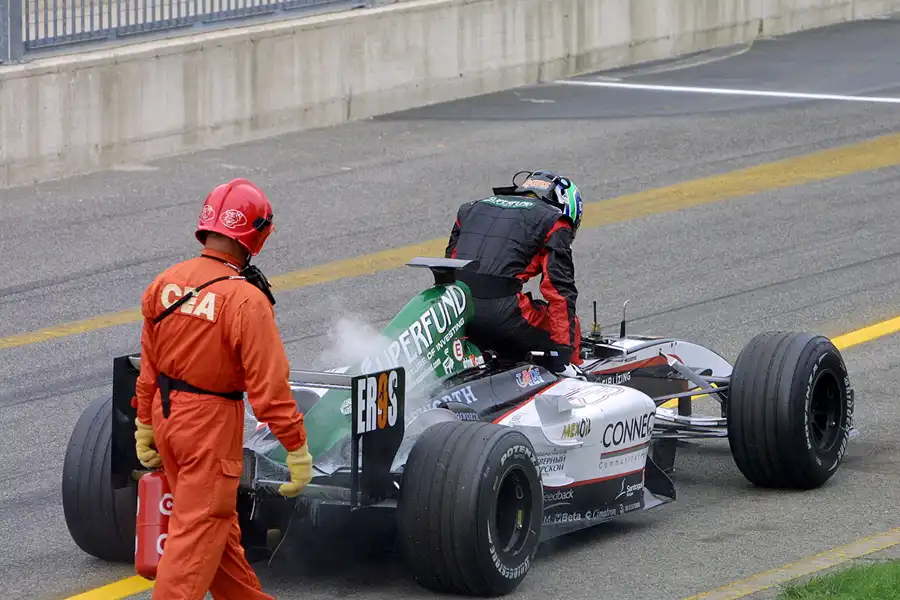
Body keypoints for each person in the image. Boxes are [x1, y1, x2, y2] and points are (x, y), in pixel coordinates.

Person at [132, 178, 313, 600]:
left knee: (217, 529)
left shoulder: (164, 284)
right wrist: (297, 449)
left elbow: (149, 366)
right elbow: (269, 388)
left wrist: (145, 422)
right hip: (210, 428)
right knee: (198, 534)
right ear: (256, 234)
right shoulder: (246, 301)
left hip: (167, 415)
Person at [445, 169, 586, 377]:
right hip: (503, 318)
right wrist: (562, 356)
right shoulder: (554, 221)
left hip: (457, 314)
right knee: (570, 325)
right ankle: (574, 374)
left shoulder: (470, 209)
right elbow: (558, 291)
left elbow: (450, 267)